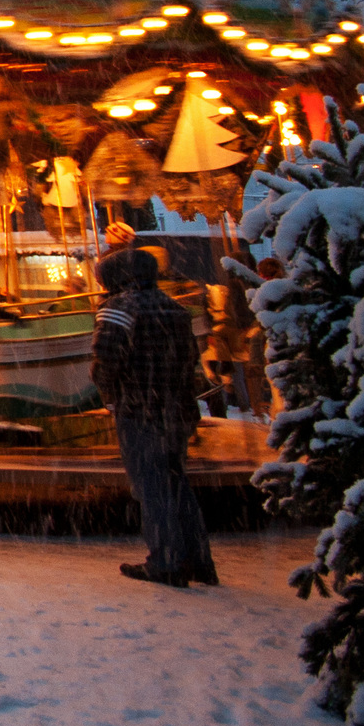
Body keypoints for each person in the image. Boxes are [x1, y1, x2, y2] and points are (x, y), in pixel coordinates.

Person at [93, 247, 216, 588]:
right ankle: (198, 559)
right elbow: (190, 356)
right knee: (177, 482)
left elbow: (106, 360)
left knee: (151, 486)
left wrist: (110, 395)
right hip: (177, 409)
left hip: (139, 407)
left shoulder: (118, 309)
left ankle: (166, 560)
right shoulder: (174, 308)